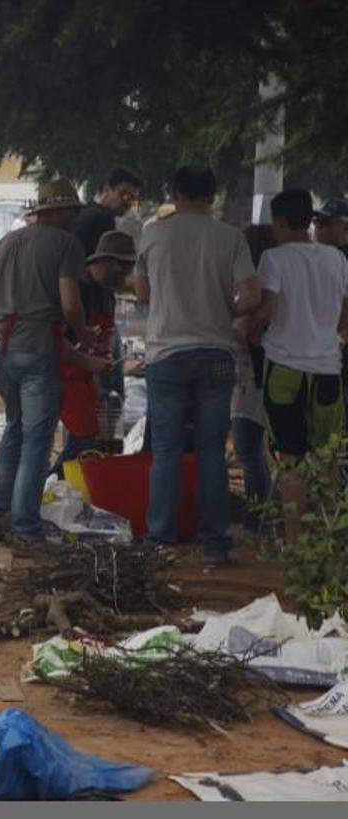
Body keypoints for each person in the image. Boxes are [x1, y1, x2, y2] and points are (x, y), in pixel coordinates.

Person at [132, 166, 261, 564]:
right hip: (216, 355)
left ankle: (160, 538)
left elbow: (142, 294)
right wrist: (225, 310)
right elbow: (252, 296)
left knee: (166, 451)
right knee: (211, 451)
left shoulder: (153, 234)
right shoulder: (230, 236)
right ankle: (216, 543)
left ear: (173, 192)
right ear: (212, 195)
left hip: (166, 355)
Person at [0, 180, 92, 540]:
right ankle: (25, 527)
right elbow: (70, 304)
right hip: (38, 347)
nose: (75, 218)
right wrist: (83, 334)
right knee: (36, 441)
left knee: (15, 429)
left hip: (2, 349)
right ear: (58, 212)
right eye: (72, 211)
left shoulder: (8, 241)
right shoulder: (67, 244)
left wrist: (14, 296)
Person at [248, 189, 348, 543]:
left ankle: (295, 545)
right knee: (327, 457)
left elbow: (266, 310)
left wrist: (251, 332)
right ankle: (330, 540)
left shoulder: (273, 259)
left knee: (291, 459)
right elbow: (345, 315)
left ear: (279, 222)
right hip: (328, 369)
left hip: (284, 369)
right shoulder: (337, 259)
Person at [54, 230, 137, 469]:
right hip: (65, 373)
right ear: (108, 262)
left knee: (98, 437)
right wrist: (89, 359)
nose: (124, 278)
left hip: (88, 377)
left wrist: (106, 349)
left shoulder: (107, 293)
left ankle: (73, 480)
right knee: (85, 438)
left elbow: (107, 332)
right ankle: (53, 480)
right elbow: (57, 339)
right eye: (122, 271)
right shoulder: (75, 287)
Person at [233, 224, 276, 524]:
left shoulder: (254, 289)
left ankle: (257, 520)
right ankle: (264, 517)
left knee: (248, 450)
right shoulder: (277, 284)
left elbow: (244, 332)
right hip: (271, 373)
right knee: (258, 451)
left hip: (250, 378)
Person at [74, 167, 146, 257]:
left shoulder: (83, 212)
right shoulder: (103, 218)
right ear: (106, 189)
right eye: (125, 195)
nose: (128, 202)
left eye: (133, 199)